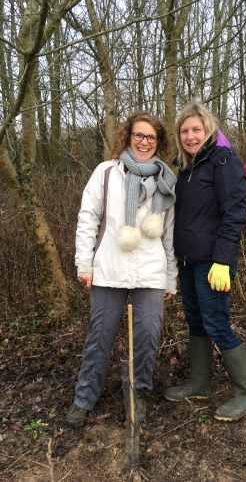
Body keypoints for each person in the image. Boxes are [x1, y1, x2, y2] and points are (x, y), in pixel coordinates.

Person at [66, 111, 178, 427]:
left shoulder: (167, 181)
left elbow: (170, 234)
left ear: (159, 142)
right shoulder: (106, 173)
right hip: (109, 267)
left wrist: (170, 278)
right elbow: (88, 218)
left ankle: (139, 394)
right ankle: (84, 398)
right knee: (100, 335)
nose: (144, 142)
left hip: (151, 271)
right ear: (128, 137)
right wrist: (83, 263)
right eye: (138, 135)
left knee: (147, 334)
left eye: (151, 137)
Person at [164, 102, 246, 422]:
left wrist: (223, 260)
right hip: (189, 261)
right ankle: (199, 383)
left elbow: (234, 214)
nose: (190, 136)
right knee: (196, 322)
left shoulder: (223, 161)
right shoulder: (187, 167)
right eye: (184, 131)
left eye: (196, 129)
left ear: (207, 130)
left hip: (212, 263)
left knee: (217, 323)